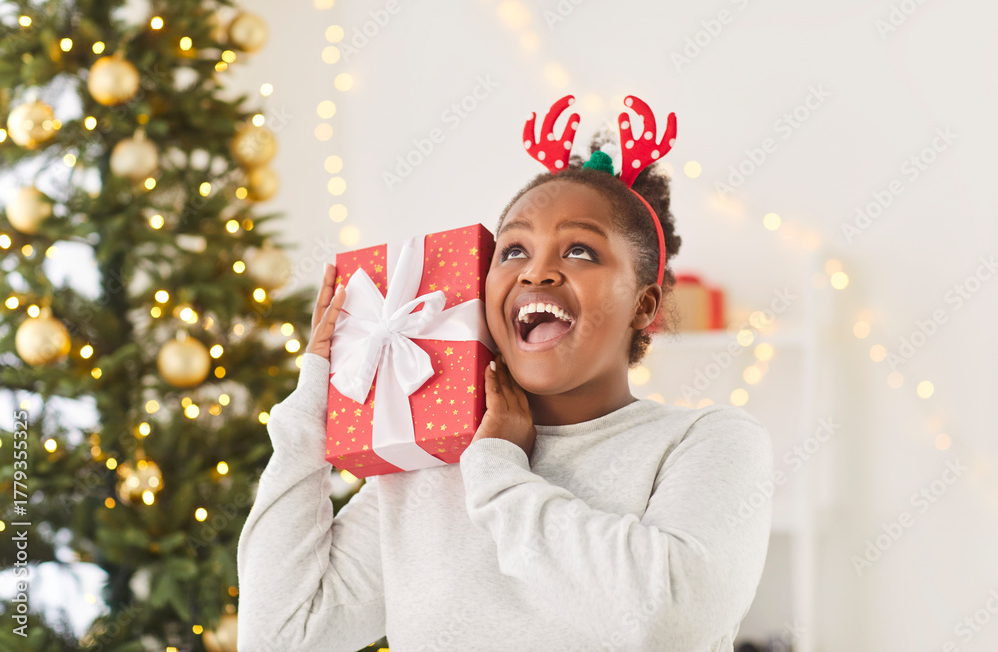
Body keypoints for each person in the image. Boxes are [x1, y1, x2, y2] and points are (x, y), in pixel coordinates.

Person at [237, 117, 773, 651]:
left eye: (580, 251)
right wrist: (315, 404)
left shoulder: (710, 440)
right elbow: (281, 636)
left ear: (643, 305)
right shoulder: (430, 465)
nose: (535, 273)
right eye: (514, 250)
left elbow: (670, 620)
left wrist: (498, 472)